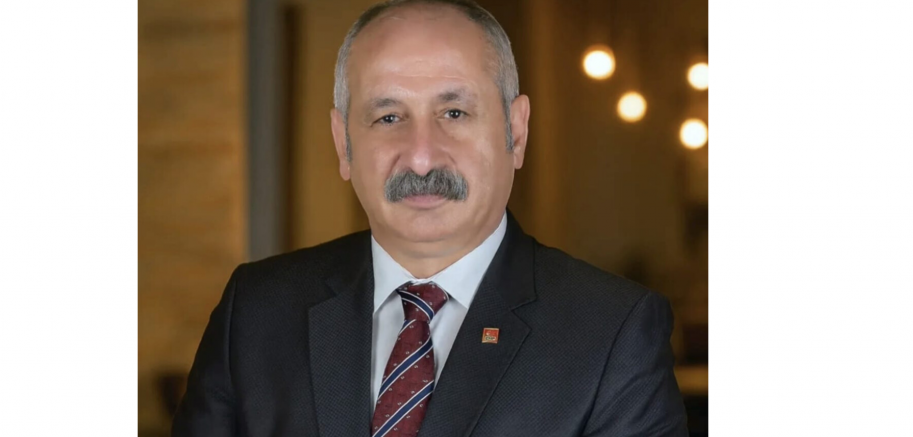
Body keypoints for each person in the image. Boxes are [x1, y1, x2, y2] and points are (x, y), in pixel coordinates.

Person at [172, 1, 687, 436]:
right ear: (343, 144)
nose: (421, 157)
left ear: (516, 131)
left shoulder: (613, 333)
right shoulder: (256, 312)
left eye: (454, 113)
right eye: (388, 117)